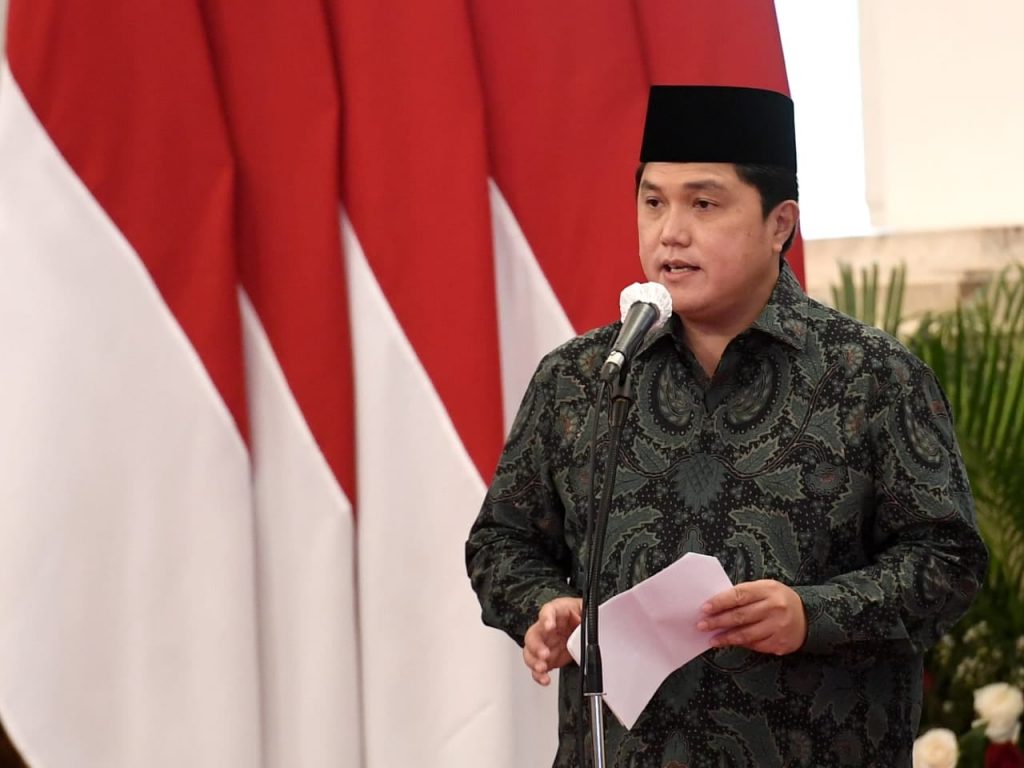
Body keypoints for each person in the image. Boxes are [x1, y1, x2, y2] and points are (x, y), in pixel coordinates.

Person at [465, 84, 987, 767]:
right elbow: (501, 541)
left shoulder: (871, 375)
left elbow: (948, 561)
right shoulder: (584, 376)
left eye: (703, 204)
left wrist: (812, 615)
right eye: (653, 202)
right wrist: (545, 605)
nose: (670, 232)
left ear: (780, 224)